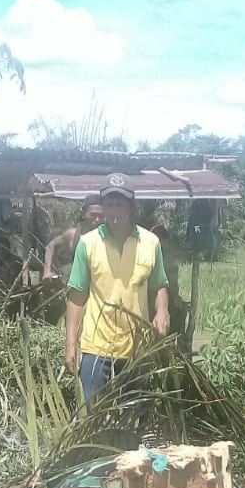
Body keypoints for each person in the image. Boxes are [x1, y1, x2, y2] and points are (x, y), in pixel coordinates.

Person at [64, 173, 170, 406]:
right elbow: (77, 297)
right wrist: (71, 344)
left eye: (120, 204)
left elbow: (159, 285)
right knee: (93, 413)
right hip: (96, 346)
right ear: (103, 207)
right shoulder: (88, 244)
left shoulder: (150, 243)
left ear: (131, 207)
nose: (114, 210)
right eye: (109, 204)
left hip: (136, 348)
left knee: (134, 415)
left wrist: (162, 311)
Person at [43, 194, 105, 281]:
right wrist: (47, 271)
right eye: (93, 215)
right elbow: (51, 246)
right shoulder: (73, 235)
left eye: (101, 216)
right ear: (83, 214)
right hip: (78, 285)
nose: (97, 219)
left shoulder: (110, 236)